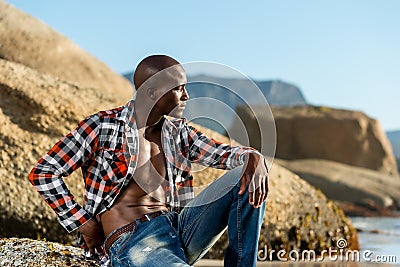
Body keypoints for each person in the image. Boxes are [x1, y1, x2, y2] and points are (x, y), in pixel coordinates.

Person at [28, 55, 269, 267]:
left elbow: (222, 154)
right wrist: (83, 222)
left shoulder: (178, 132)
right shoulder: (103, 126)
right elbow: (44, 172)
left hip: (178, 228)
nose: (186, 96)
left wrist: (253, 157)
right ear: (152, 92)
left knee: (247, 172)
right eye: (179, 88)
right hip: (132, 239)